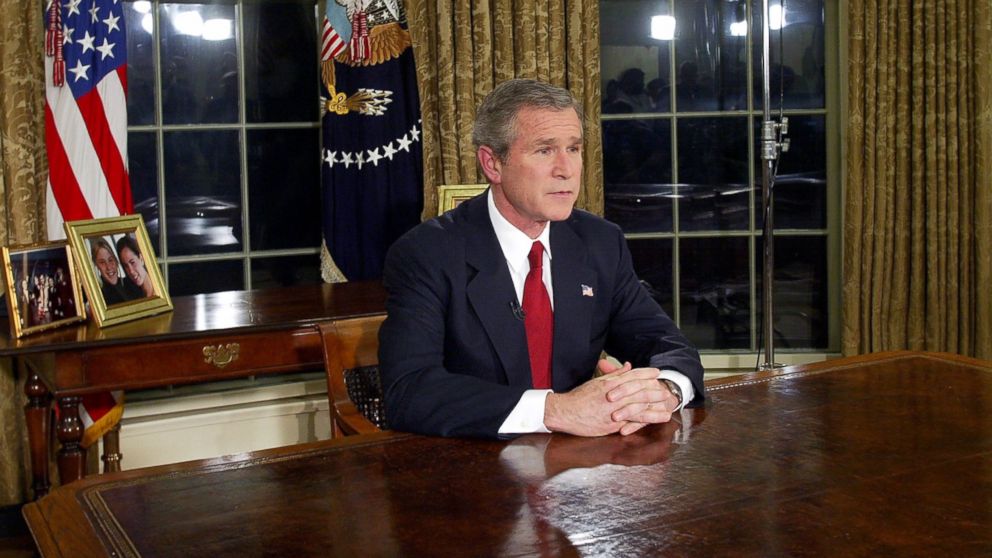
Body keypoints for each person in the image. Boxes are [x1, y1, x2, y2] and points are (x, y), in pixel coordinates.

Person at [379, 79, 704, 439]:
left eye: (574, 148)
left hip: (582, 468)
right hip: (474, 466)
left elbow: (667, 345)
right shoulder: (427, 254)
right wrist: (557, 410)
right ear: (492, 164)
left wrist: (663, 391)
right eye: (545, 150)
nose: (566, 169)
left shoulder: (599, 241)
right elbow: (409, 391)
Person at [91, 238, 144, 305]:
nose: (109, 267)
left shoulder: (132, 282)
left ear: (116, 261)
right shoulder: (98, 296)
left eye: (110, 260)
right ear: (96, 265)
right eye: (102, 262)